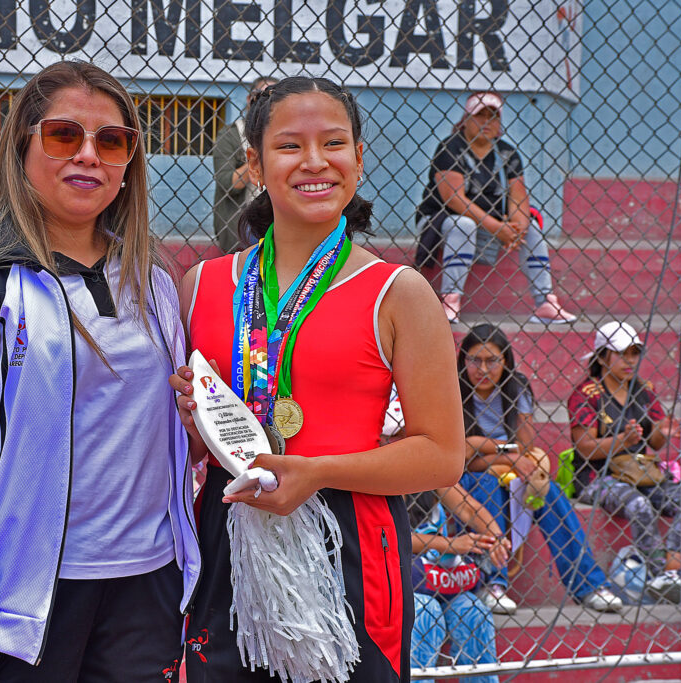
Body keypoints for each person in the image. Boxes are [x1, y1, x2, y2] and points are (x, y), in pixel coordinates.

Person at [0, 60, 200, 682]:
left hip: (149, 584)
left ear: (129, 163)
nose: (88, 155)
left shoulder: (156, 283)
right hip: (23, 597)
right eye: (64, 135)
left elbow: (162, 441)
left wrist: (199, 422)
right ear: (22, 146)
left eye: (111, 141)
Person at [173, 76, 465, 682]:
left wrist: (319, 471)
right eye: (289, 146)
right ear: (254, 163)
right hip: (228, 536)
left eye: (333, 143)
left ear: (358, 158)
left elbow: (441, 457)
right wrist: (193, 427)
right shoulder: (201, 286)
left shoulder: (398, 292)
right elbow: (197, 448)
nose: (314, 162)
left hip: (352, 549)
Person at [457, 323, 622, 614]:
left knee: (551, 491)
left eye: (492, 360)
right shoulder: (454, 391)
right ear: (464, 361)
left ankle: (589, 585)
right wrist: (501, 452)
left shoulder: (515, 386)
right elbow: (461, 459)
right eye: (474, 360)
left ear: (505, 360)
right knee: (484, 482)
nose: (482, 369)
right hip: (468, 480)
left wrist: (484, 448)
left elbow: (523, 447)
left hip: (509, 472)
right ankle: (491, 584)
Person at [414, 92, 576, 325]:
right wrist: (498, 228)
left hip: (489, 224)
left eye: (493, 118)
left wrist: (516, 230)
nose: (487, 123)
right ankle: (450, 300)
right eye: (480, 117)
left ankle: (545, 302)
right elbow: (454, 200)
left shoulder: (506, 152)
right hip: (440, 222)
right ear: (466, 119)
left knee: (531, 228)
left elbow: (518, 198)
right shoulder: (450, 147)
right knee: (464, 223)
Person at [568, 321, 681, 603]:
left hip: (641, 474)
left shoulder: (644, 389)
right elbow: (584, 448)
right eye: (622, 353)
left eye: (634, 353)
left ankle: (673, 567)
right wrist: (623, 440)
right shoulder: (586, 395)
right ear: (602, 356)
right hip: (597, 478)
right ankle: (659, 576)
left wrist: (661, 432)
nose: (630, 360)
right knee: (639, 505)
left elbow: (654, 442)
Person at [409, 486, 508, 683]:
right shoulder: (387, 480)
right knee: (426, 612)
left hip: (440, 579)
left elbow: (469, 507)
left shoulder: (431, 474)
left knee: (475, 613)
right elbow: (389, 536)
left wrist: (495, 537)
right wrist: (447, 544)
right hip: (402, 584)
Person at [212, 76, 278, 253]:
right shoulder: (231, 135)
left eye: (273, 96)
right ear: (249, 100)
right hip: (243, 222)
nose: (266, 101)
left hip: (280, 219)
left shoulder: (287, 135)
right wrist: (260, 157)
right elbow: (229, 184)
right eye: (261, 95)